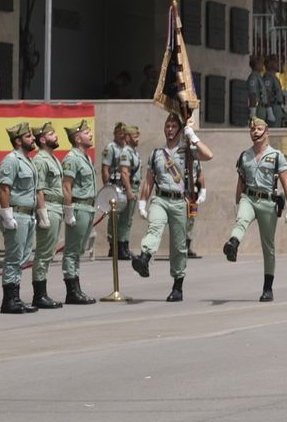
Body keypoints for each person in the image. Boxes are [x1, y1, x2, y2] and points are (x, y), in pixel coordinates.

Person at [131, 114, 214, 301]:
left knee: (178, 246)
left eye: (173, 126)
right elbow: (149, 181)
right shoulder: (156, 154)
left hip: (179, 201)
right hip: (161, 198)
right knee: (155, 226)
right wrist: (142, 202)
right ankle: (144, 257)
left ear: (180, 129)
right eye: (167, 125)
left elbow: (208, 155)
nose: (169, 129)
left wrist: (193, 137)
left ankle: (178, 285)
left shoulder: (188, 151)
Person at [224, 118, 287, 301]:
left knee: (268, 246)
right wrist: (237, 205)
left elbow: (285, 181)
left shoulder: (277, 155)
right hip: (249, 198)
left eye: (259, 129)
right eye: (252, 129)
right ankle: (233, 244)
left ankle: (268, 288)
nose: (255, 132)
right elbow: (240, 183)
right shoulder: (245, 156)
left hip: (268, 202)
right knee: (241, 221)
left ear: (267, 132)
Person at [0, 122, 43, 313]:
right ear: (18, 140)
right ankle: (9, 300)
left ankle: (15, 297)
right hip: (16, 213)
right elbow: (4, 188)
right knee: (13, 258)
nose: (33, 139)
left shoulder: (28, 160)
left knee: (22, 257)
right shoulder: (11, 160)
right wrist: (7, 215)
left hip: (28, 215)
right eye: (28, 136)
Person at [58, 121, 101, 305]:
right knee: (72, 250)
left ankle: (76, 287)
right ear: (77, 138)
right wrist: (68, 211)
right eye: (86, 132)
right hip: (78, 207)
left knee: (80, 249)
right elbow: (67, 186)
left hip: (89, 207)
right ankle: (72, 290)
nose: (90, 135)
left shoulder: (86, 158)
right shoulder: (72, 158)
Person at [29, 121, 66, 310]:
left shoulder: (52, 158)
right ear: (42, 139)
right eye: (52, 134)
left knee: (49, 252)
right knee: (43, 253)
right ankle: (39, 294)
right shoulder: (41, 160)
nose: (56, 136)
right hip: (49, 207)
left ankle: (42, 292)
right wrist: (42, 213)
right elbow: (38, 189)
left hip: (57, 207)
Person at [101, 124, 142, 260]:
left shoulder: (132, 151)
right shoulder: (114, 149)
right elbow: (106, 168)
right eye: (119, 133)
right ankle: (116, 246)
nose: (121, 135)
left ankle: (123, 246)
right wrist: (107, 186)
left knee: (126, 219)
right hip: (119, 186)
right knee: (116, 218)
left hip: (130, 186)